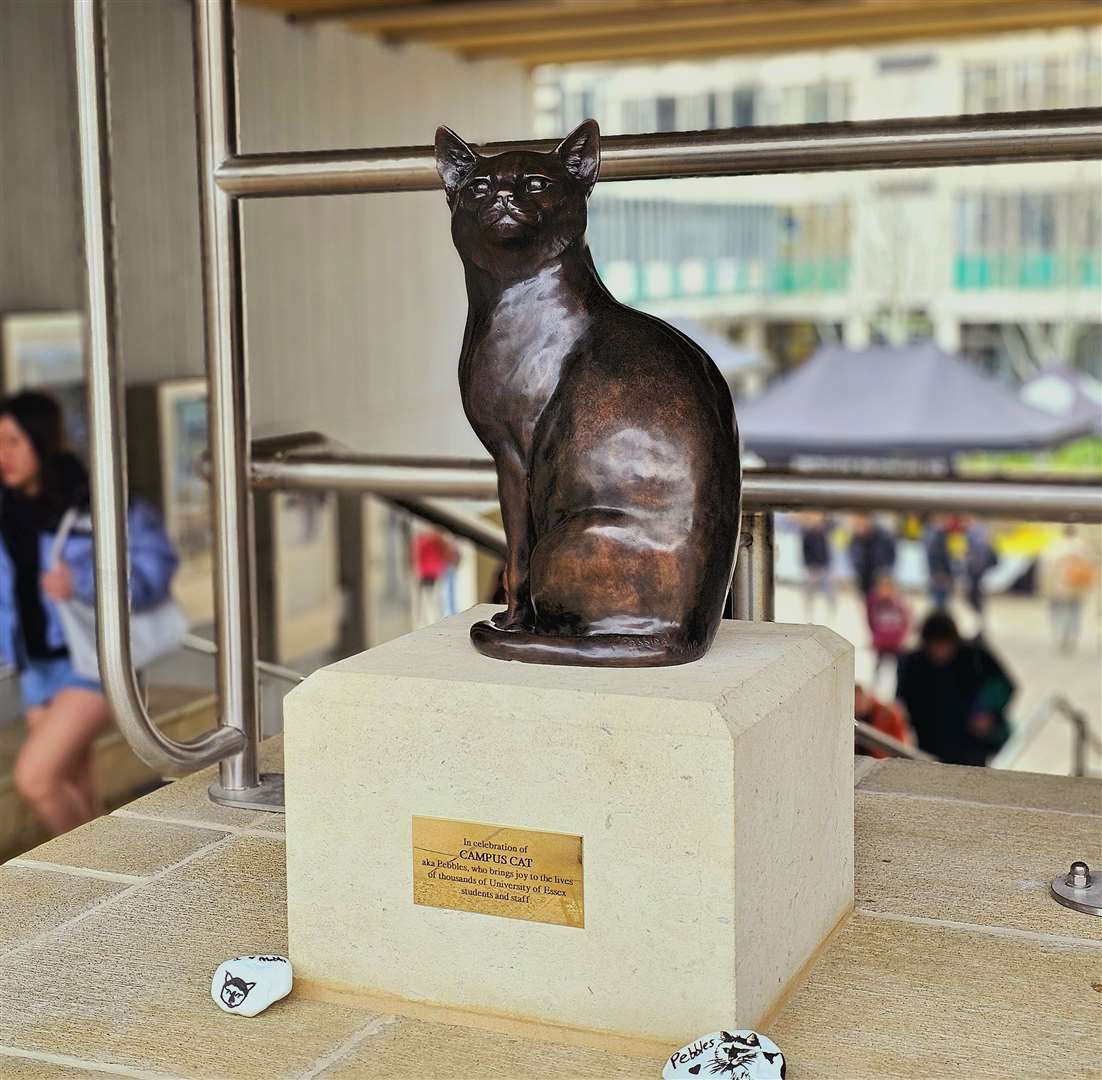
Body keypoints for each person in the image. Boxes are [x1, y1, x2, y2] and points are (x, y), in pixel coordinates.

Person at [0, 391, 177, 834]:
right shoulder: (6, 510)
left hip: (96, 662)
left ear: (41, 441)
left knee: (35, 779)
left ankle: (78, 889)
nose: (2, 456)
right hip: (37, 668)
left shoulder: (95, 501)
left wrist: (80, 582)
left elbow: (157, 566)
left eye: (12, 442)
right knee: (74, 786)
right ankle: (108, 881)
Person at [895, 611, 1015, 766]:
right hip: (928, 745)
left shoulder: (974, 656)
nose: (940, 652)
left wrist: (986, 711)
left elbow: (1004, 684)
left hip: (971, 746)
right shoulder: (912, 663)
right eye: (934, 646)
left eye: (945, 645)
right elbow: (900, 701)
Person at [1039, 525, 1097, 653]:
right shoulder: (1084, 548)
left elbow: (1046, 570)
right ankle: (1071, 635)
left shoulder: (1054, 547)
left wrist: (1044, 587)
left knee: (1058, 612)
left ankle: (1060, 634)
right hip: (1077, 587)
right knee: (1074, 613)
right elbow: (1091, 568)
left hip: (1058, 587)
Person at [865, 572, 910, 686]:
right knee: (878, 668)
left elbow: (906, 620)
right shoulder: (874, 602)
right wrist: (876, 636)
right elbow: (870, 620)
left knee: (900, 669)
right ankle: (874, 686)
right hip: (881, 641)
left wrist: (901, 637)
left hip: (896, 642)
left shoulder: (899, 603)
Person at [854, 683, 913, 759]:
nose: (857, 705)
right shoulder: (856, 716)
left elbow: (902, 746)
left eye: (859, 700)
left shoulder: (888, 713)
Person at [848, 515, 896, 599]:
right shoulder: (856, 538)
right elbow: (853, 555)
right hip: (864, 576)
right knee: (868, 600)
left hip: (880, 576)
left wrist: (886, 571)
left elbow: (891, 553)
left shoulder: (882, 535)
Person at [798, 512, 834, 620]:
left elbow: (827, 551)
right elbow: (805, 551)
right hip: (812, 568)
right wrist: (809, 566)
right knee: (809, 592)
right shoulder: (808, 533)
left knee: (829, 591)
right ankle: (808, 613)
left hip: (824, 566)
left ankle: (830, 612)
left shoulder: (825, 532)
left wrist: (827, 564)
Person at [963, 519, 998, 629]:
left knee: (974, 595)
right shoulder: (983, 531)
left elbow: (976, 551)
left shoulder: (976, 531)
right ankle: (979, 616)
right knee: (974, 595)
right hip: (977, 569)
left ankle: (979, 617)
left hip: (976, 569)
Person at [924, 517, 955, 609]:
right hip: (940, 573)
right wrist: (939, 572)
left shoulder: (939, 538)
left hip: (940, 572)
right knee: (940, 598)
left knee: (941, 598)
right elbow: (939, 557)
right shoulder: (939, 539)